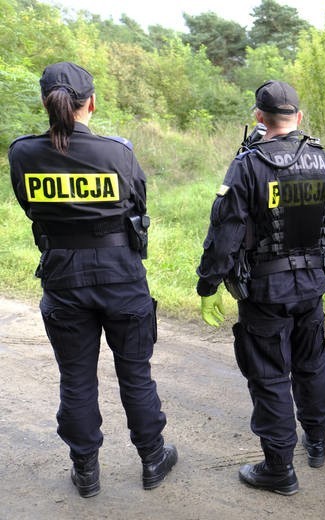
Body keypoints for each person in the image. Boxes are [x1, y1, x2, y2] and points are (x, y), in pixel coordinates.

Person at [7, 62, 177, 498]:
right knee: (135, 374)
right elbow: (138, 206)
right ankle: (152, 458)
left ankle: (86, 471)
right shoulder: (117, 153)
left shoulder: (23, 153)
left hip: (63, 277)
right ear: (92, 103)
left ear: (46, 103)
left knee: (76, 378)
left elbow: (30, 208)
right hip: (121, 275)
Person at [196, 80, 325, 496]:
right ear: (298, 117)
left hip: (265, 292)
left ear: (259, 117)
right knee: (312, 362)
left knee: (269, 377)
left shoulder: (247, 166)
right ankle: (316, 442)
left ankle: (279, 469)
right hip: (311, 286)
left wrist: (208, 284)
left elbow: (225, 233)